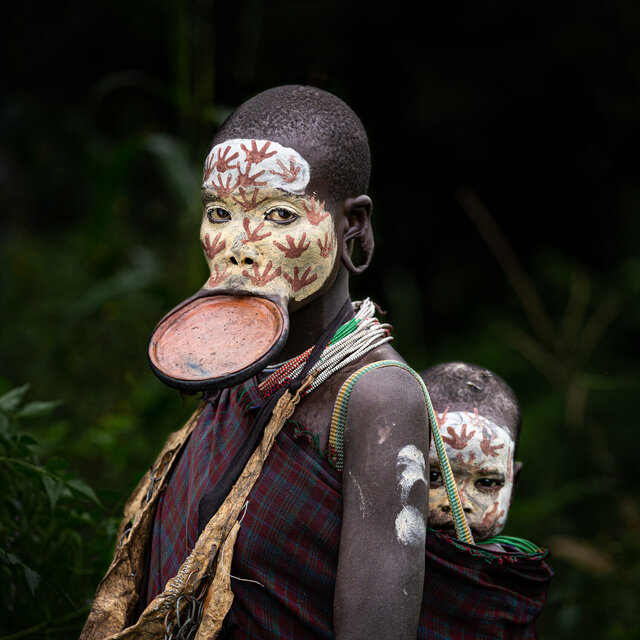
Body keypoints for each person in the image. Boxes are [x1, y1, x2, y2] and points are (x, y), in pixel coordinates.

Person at [81, 85, 431, 640]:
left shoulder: (378, 398)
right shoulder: (233, 371)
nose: (240, 245)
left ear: (354, 227)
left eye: (278, 213)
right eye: (220, 212)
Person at [417, 361, 553, 637]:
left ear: (512, 486)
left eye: (487, 483)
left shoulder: (515, 583)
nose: (457, 503)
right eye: (434, 477)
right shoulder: (362, 554)